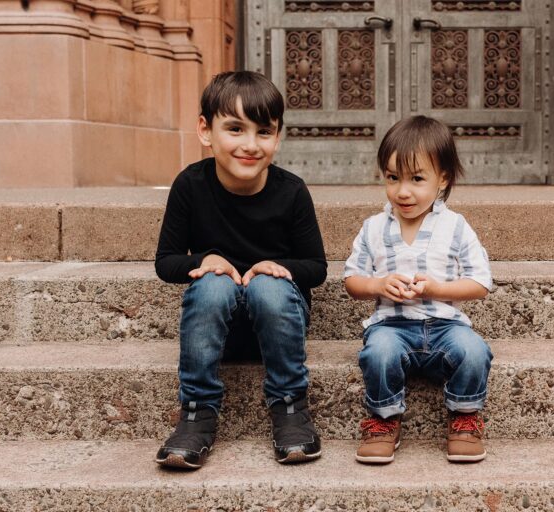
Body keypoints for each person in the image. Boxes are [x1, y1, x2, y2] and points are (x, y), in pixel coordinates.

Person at [154, 71, 327, 469]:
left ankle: (289, 406)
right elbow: (166, 262)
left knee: (268, 287)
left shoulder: (291, 190)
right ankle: (197, 412)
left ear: (278, 137)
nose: (250, 145)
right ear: (205, 130)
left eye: (264, 132)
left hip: (279, 321)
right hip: (219, 328)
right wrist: (203, 261)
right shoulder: (190, 186)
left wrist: (279, 267)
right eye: (235, 129)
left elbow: (316, 268)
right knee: (212, 286)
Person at [344, 115, 493, 464]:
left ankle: (464, 417)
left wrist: (438, 288)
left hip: (445, 327)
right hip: (391, 327)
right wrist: (378, 284)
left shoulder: (455, 226)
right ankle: (383, 419)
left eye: (416, 179)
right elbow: (352, 281)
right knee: (377, 354)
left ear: (442, 179)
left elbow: (480, 282)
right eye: (393, 178)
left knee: (474, 351)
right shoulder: (374, 228)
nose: (402, 191)